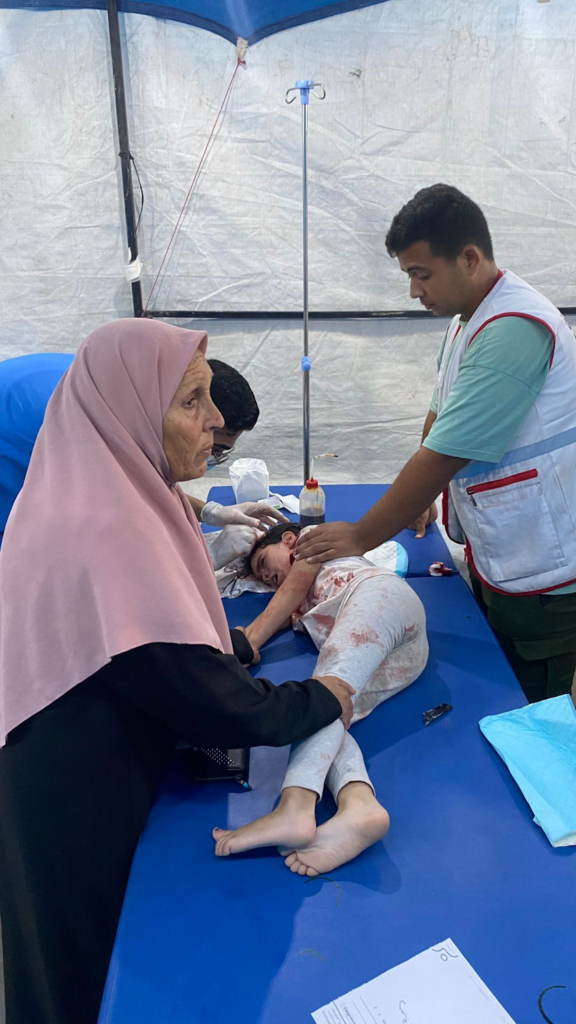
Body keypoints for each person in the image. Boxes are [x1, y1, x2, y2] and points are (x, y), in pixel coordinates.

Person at [0, 319, 355, 1024]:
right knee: (78, 970)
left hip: (73, 740)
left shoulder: (106, 477)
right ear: (136, 407)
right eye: (193, 401)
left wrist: (239, 644)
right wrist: (323, 695)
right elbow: (206, 697)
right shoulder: (107, 530)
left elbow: (153, 647)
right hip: (69, 788)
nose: (214, 421)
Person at [296, 184, 576, 704]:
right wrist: (420, 500)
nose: (413, 291)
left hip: (548, 564)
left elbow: (446, 453)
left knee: (536, 702)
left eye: (421, 274)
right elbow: (440, 416)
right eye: (409, 275)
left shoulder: (515, 328)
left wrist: (361, 535)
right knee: (501, 668)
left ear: (469, 258)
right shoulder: (465, 322)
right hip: (507, 546)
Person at [213, 522, 428, 876]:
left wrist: (249, 640)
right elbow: (284, 607)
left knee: (320, 695)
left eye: (264, 562)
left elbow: (292, 588)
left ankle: (295, 806)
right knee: (329, 709)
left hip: (379, 598)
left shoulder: (313, 542)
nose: (265, 577)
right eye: (261, 578)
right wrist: (241, 640)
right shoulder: (302, 602)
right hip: (404, 652)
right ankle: (359, 804)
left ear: (289, 541)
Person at [0, 350, 281, 556]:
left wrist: (210, 511)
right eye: (213, 447)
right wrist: (206, 559)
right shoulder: (102, 428)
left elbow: (146, 484)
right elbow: (111, 539)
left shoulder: (144, 399)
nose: (208, 458)